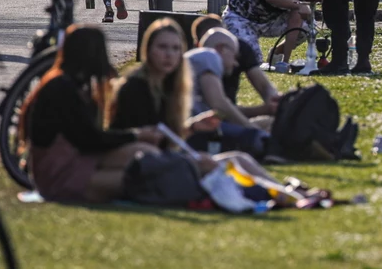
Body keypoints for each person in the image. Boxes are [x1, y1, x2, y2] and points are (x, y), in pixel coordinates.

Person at [110, 19, 289, 196]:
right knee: (220, 166)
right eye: (162, 47)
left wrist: (193, 126)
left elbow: (168, 135)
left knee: (240, 158)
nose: (169, 55)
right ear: (148, 50)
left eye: (175, 48)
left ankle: (288, 193)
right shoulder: (136, 87)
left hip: (167, 156)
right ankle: (279, 196)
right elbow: (218, 104)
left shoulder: (172, 85)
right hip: (143, 161)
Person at [19, 25, 161, 203]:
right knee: (144, 177)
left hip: (79, 160)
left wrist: (137, 138)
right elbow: (90, 140)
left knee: (147, 154)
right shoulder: (61, 89)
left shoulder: (77, 84)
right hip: (59, 174)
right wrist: (136, 135)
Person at [185, 28, 275, 157]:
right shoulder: (209, 56)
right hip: (197, 133)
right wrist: (251, 129)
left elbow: (220, 111)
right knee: (260, 139)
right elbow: (219, 104)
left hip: (194, 129)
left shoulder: (197, 63)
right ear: (221, 48)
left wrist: (261, 113)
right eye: (235, 56)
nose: (236, 63)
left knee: (268, 122)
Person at [190, 14, 280, 121]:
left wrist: (274, 101)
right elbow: (220, 109)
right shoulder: (202, 59)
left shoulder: (239, 48)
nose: (235, 63)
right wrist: (261, 112)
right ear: (198, 46)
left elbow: (264, 86)